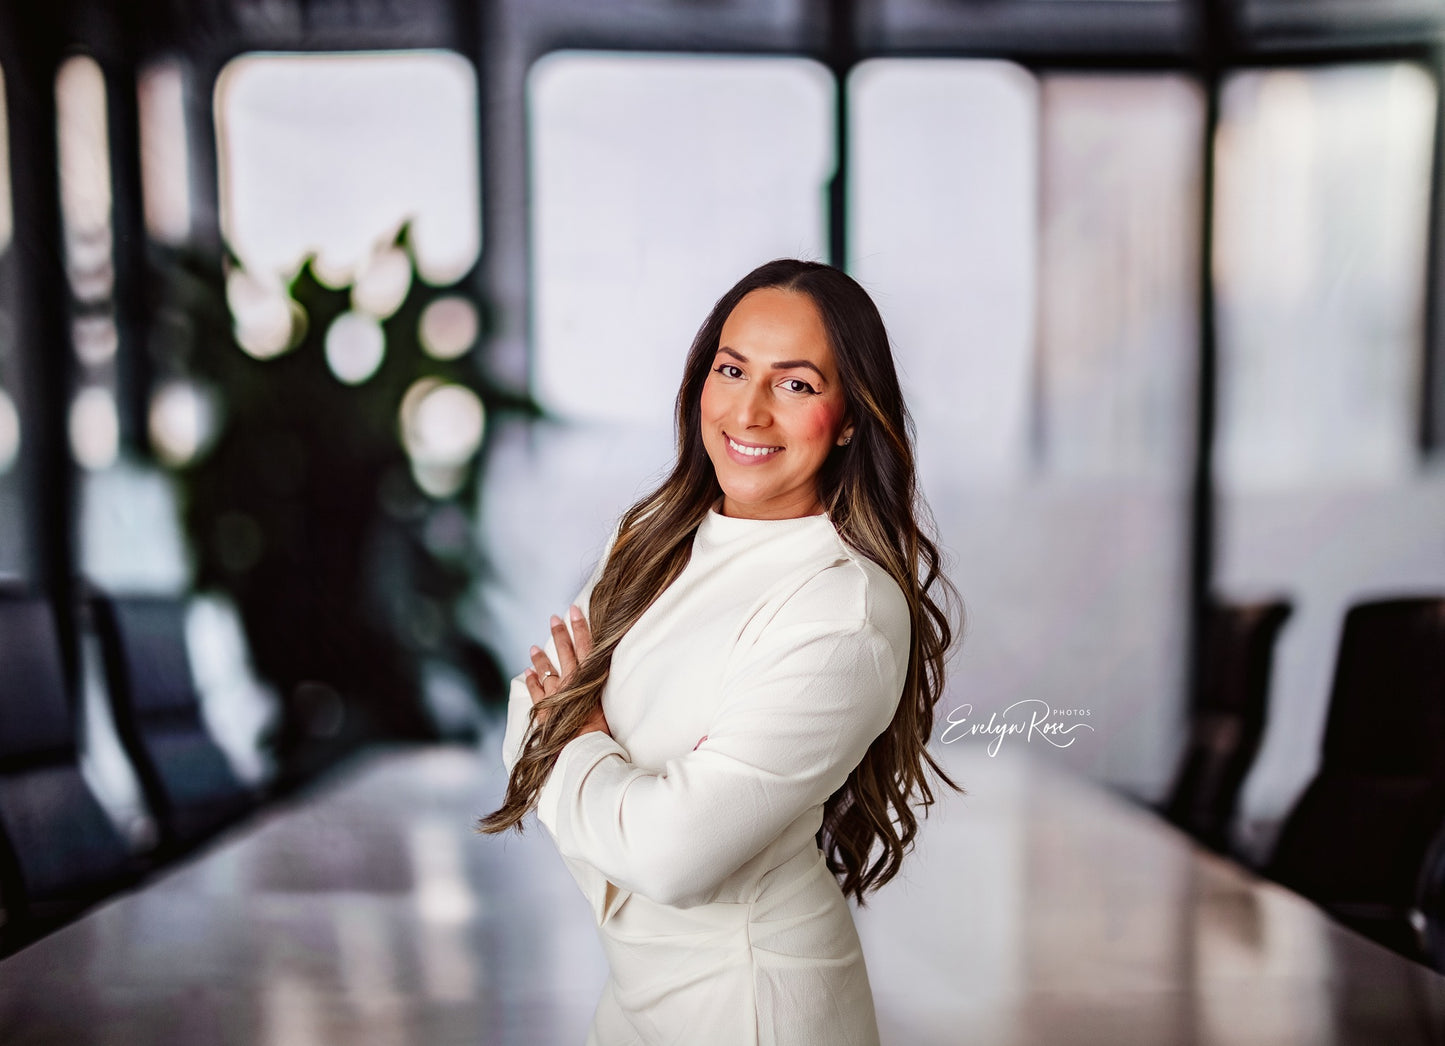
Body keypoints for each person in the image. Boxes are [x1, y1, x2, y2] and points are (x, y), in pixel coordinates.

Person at [477, 258, 963, 1045]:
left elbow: (672, 856)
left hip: (750, 1006)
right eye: (731, 369)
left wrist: (578, 733)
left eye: (795, 384)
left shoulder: (841, 607)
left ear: (847, 418)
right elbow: (522, 723)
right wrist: (610, 769)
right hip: (632, 1001)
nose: (748, 410)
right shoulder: (654, 537)